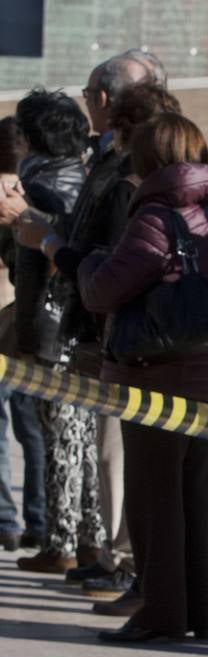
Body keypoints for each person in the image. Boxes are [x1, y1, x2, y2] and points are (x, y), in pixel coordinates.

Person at [77, 113, 208, 643]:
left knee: (153, 501)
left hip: (151, 380)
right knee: (190, 498)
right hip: (204, 377)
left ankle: (160, 613)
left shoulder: (152, 219)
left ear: (147, 160)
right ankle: (196, 612)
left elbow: (102, 292)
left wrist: (87, 262)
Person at [16, 74, 180, 613]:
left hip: (109, 335)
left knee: (99, 452)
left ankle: (118, 561)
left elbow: (105, 260)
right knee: (95, 451)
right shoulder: (104, 172)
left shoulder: (130, 188)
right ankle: (103, 553)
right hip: (90, 330)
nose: (105, 133)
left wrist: (45, 237)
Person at [4, 90, 101, 576]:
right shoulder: (79, 175)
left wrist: (17, 221)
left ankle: (66, 542)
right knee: (75, 437)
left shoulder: (38, 187)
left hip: (51, 328)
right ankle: (84, 540)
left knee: (61, 435)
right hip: (69, 326)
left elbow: (31, 263)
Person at [0, 115, 45, 551]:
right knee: (32, 429)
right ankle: (38, 520)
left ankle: (7, 521)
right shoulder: (37, 189)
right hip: (27, 325)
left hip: (13, 322)